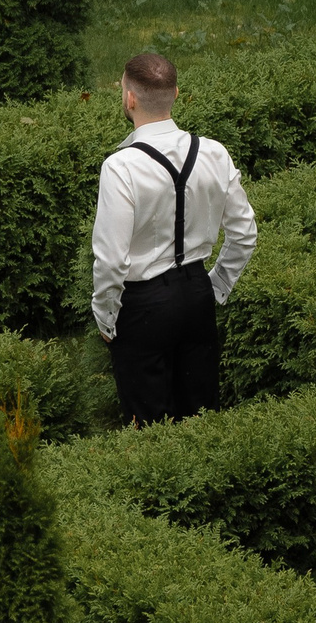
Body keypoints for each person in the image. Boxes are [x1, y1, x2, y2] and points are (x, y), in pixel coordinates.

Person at [91, 51, 257, 425]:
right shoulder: (214, 153)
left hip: (143, 308)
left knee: (147, 425)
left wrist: (105, 317)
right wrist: (215, 285)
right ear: (176, 93)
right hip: (197, 295)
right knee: (201, 419)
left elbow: (112, 260)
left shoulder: (120, 167)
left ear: (129, 98)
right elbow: (244, 233)